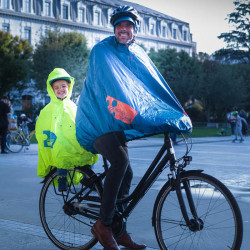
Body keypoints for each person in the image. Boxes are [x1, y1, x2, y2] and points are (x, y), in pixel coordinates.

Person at [76, 5, 192, 250]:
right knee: (120, 162)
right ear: (114, 28)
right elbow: (112, 85)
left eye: (128, 25)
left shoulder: (137, 54)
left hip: (115, 122)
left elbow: (153, 86)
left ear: (134, 30)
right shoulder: (101, 51)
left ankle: (119, 230)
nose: (123, 29)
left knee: (126, 172)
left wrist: (173, 111)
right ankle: (103, 225)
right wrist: (136, 113)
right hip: (96, 120)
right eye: (119, 25)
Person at [35, 68, 98, 192]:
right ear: (52, 90)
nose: (60, 90)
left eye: (63, 86)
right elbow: (42, 126)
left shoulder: (72, 106)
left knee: (88, 153)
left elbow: (80, 120)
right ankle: (62, 177)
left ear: (69, 87)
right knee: (61, 156)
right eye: (56, 88)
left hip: (74, 140)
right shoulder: (48, 109)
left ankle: (86, 177)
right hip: (58, 141)